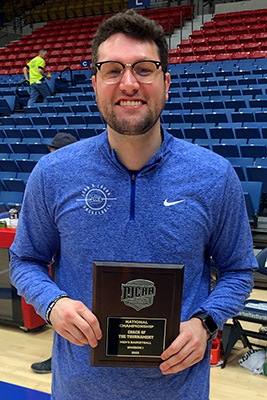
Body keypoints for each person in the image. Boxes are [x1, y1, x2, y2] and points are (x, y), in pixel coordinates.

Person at [10, 10, 258, 400]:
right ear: (95, 84)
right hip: (78, 390)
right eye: (112, 70)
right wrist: (52, 304)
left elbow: (239, 270)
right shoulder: (53, 173)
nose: (129, 83)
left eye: (144, 68)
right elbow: (24, 261)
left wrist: (205, 323)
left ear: (166, 82)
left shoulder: (214, 175)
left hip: (179, 390)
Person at [30, 132, 77, 374]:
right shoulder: (48, 176)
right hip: (60, 254)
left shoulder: (79, 178)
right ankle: (58, 355)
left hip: (76, 256)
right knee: (61, 306)